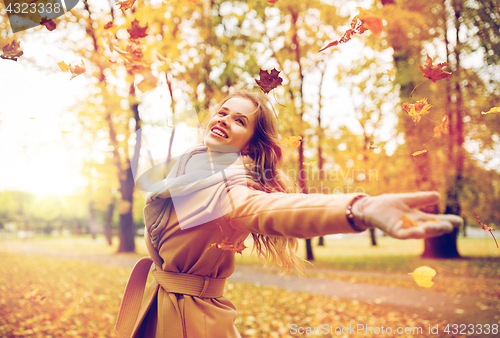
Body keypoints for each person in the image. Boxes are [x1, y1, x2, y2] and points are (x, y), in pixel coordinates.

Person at [115, 90, 462, 338]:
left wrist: (360, 208)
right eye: (223, 112)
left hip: (192, 323)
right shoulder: (187, 175)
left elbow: (275, 210)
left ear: (249, 144)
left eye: (239, 120)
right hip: (161, 306)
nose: (225, 120)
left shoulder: (232, 189)